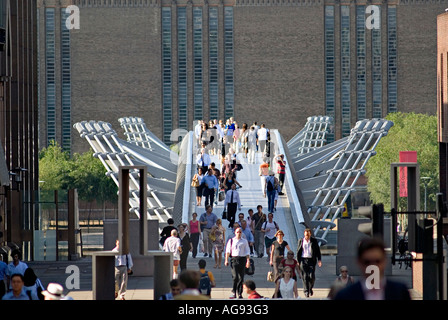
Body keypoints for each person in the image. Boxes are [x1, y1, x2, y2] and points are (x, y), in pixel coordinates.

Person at [334, 237, 411, 300]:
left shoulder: (400, 292)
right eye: (367, 262)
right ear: (359, 262)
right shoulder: (344, 296)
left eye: (377, 261)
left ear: (385, 261)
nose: (372, 267)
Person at [224, 227, 251, 299]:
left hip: (242, 259)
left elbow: (247, 252)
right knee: (235, 276)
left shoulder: (244, 241)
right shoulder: (231, 241)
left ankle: (239, 293)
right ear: (235, 233)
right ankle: (233, 291)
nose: (239, 233)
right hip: (234, 259)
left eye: (240, 232)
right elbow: (227, 251)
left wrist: (248, 261)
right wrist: (226, 260)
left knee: (241, 277)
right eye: (237, 232)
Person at [297, 228, 322, 298]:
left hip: (311, 260)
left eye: (308, 235)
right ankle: (306, 291)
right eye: (306, 235)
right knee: (305, 276)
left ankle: (310, 288)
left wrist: (319, 260)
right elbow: (298, 251)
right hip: (303, 260)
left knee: (311, 276)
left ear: (310, 234)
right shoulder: (301, 241)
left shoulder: (314, 241)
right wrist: (298, 261)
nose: (307, 237)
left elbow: (318, 251)